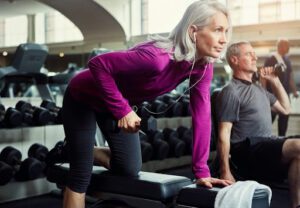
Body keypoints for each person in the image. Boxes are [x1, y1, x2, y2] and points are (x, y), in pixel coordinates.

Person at [60, 1, 233, 207]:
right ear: (194, 31)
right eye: (217, 30)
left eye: (226, 31)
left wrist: (201, 171)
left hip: (114, 105)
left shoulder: (202, 67)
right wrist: (123, 110)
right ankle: (81, 153)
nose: (224, 39)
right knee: (81, 174)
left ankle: (86, 150)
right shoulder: (156, 58)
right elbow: (98, 64)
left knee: (129, 168)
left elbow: (202, 116)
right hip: (83, 97)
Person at [217, 41, 300, 208]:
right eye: (249, 54)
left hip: (265, 145)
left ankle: (296, 204)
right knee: (298, 145)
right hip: (247, 149)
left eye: (254, 53)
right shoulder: (231, 91)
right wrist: (225, 170)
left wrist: (274, 80)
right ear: (234, 60)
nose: (255, 57)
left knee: (298, 154)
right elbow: (223, 133)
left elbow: (285, 109)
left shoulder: (260, 90)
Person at [263, 38, 299, 136]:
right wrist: (264, 92)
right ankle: (262, 137)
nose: (288, 48)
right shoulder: (271, 58)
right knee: (269, 119)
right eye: (286, 45)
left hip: (285, 95)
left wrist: (295, 91)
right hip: (273, 95)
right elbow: (264, 77)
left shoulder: (287, 60)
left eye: (288, 45)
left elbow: (290, 77)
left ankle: (281, 139)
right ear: (279, 46)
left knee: (284, 117)